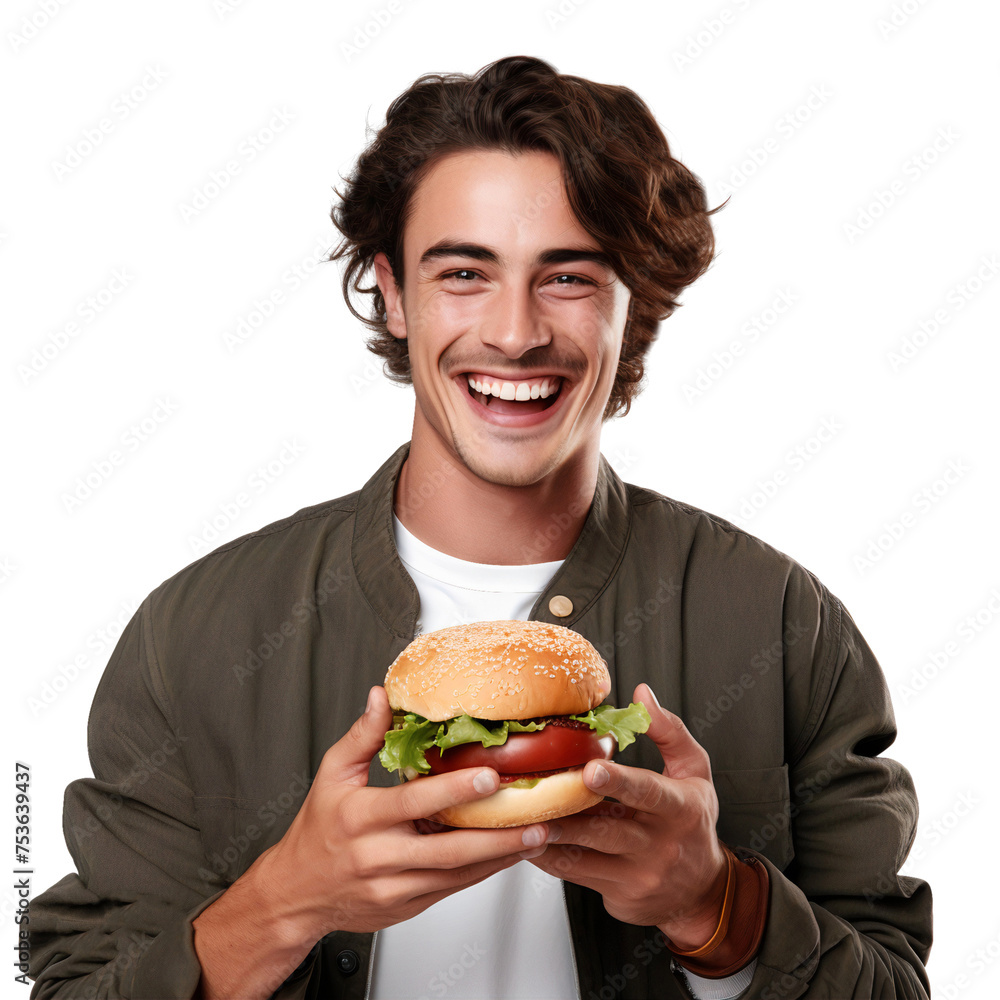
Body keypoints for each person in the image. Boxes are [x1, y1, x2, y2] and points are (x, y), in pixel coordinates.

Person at [29, 55, 932, 999]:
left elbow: (894, 984)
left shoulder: (783, 626)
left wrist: (716, 908)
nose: (513, 332)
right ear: (391, 290)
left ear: (637, 304)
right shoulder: (196, 634)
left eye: (569, 277)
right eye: (464, 271)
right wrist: (284, 902)